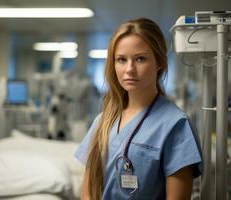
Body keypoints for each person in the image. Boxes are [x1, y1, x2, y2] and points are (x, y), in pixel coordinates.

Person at [74, 18, 203, 200]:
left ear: (159, 62)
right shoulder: (103, 121)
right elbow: (87, 192)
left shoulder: (175, 125)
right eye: (121, 60)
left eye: (140, 59)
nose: (129, 69)